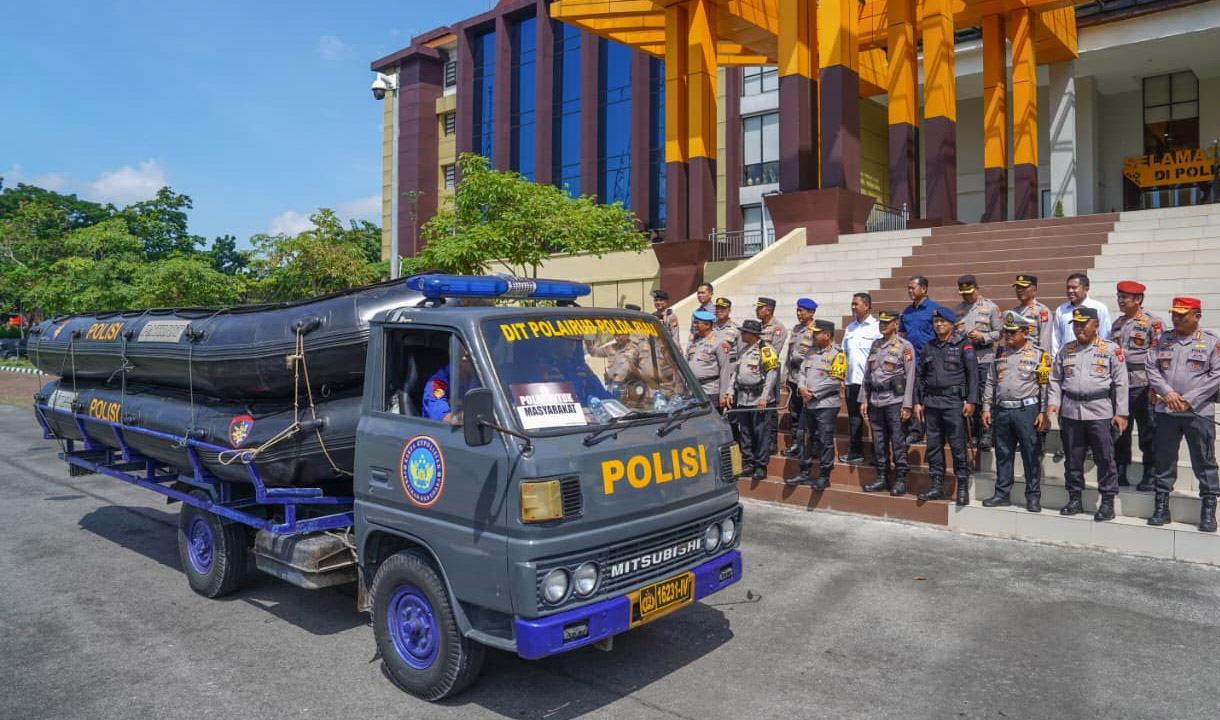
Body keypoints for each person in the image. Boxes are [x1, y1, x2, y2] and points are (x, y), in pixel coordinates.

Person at [1145, 297, 1220, 531]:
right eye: (1174, 314)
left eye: (1181, 315)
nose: (1175, 319)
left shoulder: (1211, 342)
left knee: (1204, 461)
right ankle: (1161, 506)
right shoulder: (1163, 339)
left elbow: (1216, 374)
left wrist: (1189, 400)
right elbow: (1151, 367)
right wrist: (1167, 393)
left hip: (1197, 412)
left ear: (1196, 316)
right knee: (1164, 459)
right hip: (1167, 410)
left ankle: (1208, 510)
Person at [1047, 306, 1128, 521]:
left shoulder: (1110, 349)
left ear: (1097, 325)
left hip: (1100, 411)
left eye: (1084, 324)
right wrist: (1054, 402)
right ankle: (1075, 498)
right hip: (1071, 410)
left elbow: (1121, 383)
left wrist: (1121, 413)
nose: (1079, 329)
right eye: (1076, 325)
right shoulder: (1066, 350)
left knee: (1104, 458)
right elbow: (1055, 379)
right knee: (1073, 458)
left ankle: (1107, 501)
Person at [981, 312, 1051, 512]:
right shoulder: (999, 352)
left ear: (1026, 332)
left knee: (1030, 454)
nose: (1008, 336)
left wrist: (1043, 412)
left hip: (1027, 411)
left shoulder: (1040, 354)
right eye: (1006, 332)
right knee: (1003, 454)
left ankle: (1033, 496)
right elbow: (990, 381)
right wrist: (986, 407)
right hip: (1003, 410)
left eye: (1013, 332)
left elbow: (1045, 385)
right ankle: (1002, 493)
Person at [914, 307, 979, 506]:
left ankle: (961, 488)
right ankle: (937, 486)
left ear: (951, 324)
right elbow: (920, 376)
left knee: (958, 446)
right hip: (932, 403)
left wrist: (971, 401)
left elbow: (973, 375)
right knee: (933, 447)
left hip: (954, 404)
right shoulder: (929, 347)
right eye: (936, 322)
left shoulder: (963, 345)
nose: (939, 324)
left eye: (943, 321)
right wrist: (917, 401)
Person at [1111, 281, 1163, 490]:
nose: (1121, 301)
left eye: (1125, 297)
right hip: (1120, 383)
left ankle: (1150, 471)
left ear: (1138, 299)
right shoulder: (1118, 323)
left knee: (1147, 430)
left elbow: (1158, 354)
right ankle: (1121, 468)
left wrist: (1155, 385)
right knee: (1121, 428)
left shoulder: (1153, 323)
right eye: (1119, 296)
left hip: (1142, 382)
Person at [784, 319, 846, 489]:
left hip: (825, 404)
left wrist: (813, 393)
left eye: (817, 332)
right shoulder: (810, 352)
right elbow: (801, 372)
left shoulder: (838, 354)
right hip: (808, 403)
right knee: (802, 436)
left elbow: (835, 380)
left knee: (825, 439)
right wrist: (802, 388)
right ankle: (804, 471)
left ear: (827, 335)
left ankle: (824, 475)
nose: (813, 335)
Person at [861, 310, 917, 496]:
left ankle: (901, 479)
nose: (883, 325)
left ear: (896, 324)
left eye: (887, 322)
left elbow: (910, 377)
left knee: (897, 441)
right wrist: (863, 398)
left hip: (895, 400)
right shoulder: (875, 345)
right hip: (875, 400)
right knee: (878, 442)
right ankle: (882, 477)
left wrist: (907, 405)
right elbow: (867, 374)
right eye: (881, 322)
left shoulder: (904, 346)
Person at [954, 274, 1003, 450]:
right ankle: (973, 434)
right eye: (963, 293)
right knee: (969, 395)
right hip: (965, 359)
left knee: (984, 395)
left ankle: (987, 433)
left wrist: (983, 336)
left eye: (969, 292)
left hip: (984, 357)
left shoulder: (990, 308)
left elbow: (999, 332)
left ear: (977, 288)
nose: (967, 296)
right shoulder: (958, 310)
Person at [900, 275, 946, 444]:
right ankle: (916, 430)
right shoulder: (907, 311)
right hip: (912, 361)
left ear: (924, 289)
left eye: (913, 288)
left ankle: (935, 430)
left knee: (930, 394)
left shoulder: (935, 310)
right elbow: (903, 335)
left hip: (930, 359)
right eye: (908, 288)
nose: (910, 291)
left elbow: (941, 333)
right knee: (912, 394)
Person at [732, 319, 780, 481]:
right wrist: (729, 391)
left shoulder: (765, 350)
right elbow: (736, 373)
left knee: (761, 433)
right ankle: (749, 463)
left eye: (744, 332)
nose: (742, 334)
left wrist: (765, 397)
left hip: (758, 399)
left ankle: (761, 465)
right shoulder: (743, 350)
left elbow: (772, 374)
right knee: (745, 432)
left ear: (752, 334)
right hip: (743, 398)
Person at [840, 293, 880, 464]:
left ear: (867, 305)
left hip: (870, 381)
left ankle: (877, 454)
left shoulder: (877, 327)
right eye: (852, 304)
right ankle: (855, 451)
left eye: (856, 304)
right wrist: (842, 376)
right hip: (852, 381)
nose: (853, 307)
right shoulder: (850, 328)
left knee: (875, 419)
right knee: (854, 419)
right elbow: (843, 354)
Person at [782, 298, 818, 458]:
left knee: (809, 415)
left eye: (802, 311)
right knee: (795, 413)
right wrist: (785, 375)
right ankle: (796, 444)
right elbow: (790, 354)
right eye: (797, 310)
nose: (798, 313)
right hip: (793, 376)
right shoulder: (796, 329)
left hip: (808, 378)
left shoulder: (817, 330)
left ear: (811, 312)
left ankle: (812, 446)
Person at [756, 297, 788, 456]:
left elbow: (773, 352)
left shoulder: (778, 328)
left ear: (768, 310)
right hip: (755, 373)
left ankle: (771, 442)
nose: (757, 310)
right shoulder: (757, 327)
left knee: (771, 409)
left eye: (760, 308)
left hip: (770, 371)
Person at [1052, 273, 1112, 357]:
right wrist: (1055, 359)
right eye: (1068, 287)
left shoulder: (1099, 308)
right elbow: (1056, 338)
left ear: (1086, 289)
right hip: (1067, 358)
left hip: (1092, 358)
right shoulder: (1061, 310)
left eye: (1074, 287)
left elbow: (1105, 335)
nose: (1070, 291)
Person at [686, 309, 733, 412]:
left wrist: (723, 394)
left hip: (711, 391)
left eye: (697, 323)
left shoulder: (719, 342)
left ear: (707, 325)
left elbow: (724, 369)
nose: (694, 325)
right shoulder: (694, 342)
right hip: (695, 391)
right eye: (694, 322)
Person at [422, 347, 478, 422]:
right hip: (442, 431)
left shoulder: (478, 378)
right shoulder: (438, 384)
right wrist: (471, 416)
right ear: (462, 358)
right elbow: (444, 419)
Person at [1011, 273, 1053, 352]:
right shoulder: (1014, 312)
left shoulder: (1042, 311)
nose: (1019, 290)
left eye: (1023, 287)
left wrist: (1043, 360)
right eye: (1017, 287)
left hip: (1032, 359)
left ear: (1034, 290)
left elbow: (1045, 341)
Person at [712, 297, 741, 364]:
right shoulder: (710, 328)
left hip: (729, 365)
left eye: (722, 308)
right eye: (717, 308)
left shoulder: (737, 329)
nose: (719, 310)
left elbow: (741, 351)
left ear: (729, 310)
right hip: (713, 366)